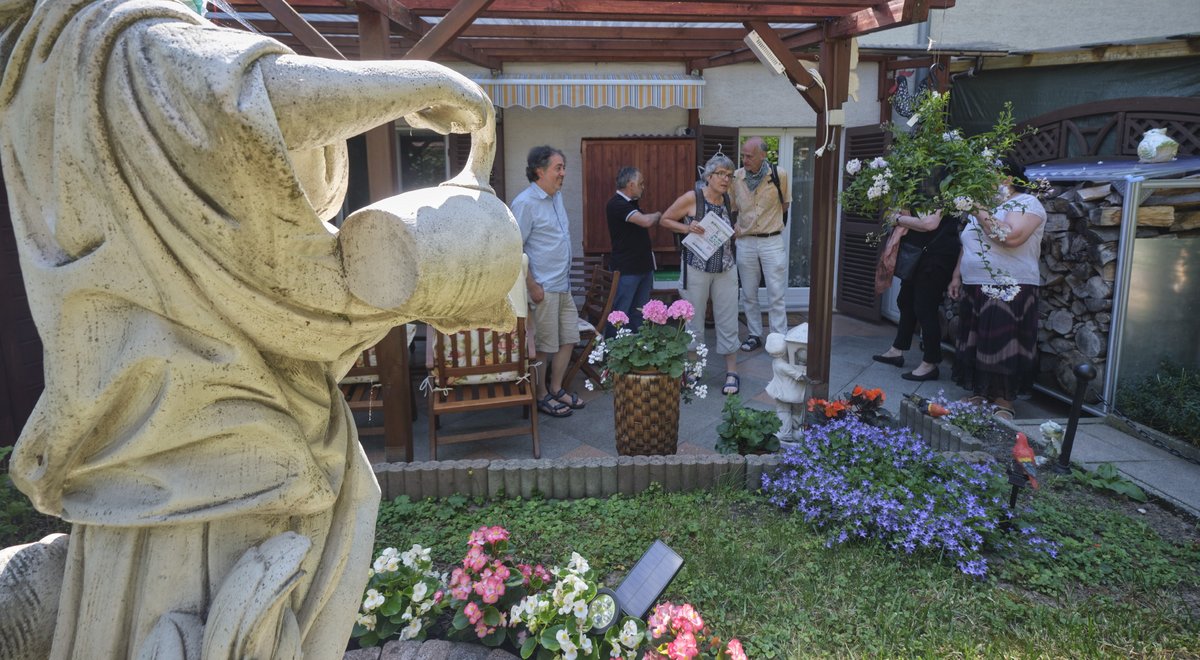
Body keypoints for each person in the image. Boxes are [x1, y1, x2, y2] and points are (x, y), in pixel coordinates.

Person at [0, 0, 504, 656]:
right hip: (220, 463)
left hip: (126, 450)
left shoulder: (37, 67)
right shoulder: (111, 41)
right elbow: (247, 99)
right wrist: (425, 83)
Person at [950, 158, 1047, 420]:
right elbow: (969, 244)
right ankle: (981, 394)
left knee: (1003, 343)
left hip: (1009, 285)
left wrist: (979, 209)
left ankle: (1004, 402)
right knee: (978, 341)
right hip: (975, 284)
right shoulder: (986, 207)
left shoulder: (1026, 203)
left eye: (986, 174)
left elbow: (1010, 237)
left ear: (1008, 178)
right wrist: (956, 275)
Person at [512, 146, 585, 418]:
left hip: (562, 285)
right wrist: (531, 285)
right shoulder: (525, 203)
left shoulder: (556, 197)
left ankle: (556, 388)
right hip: (543, 287)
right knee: (543, 346)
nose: (563, 173)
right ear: (539, 171)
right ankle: (540, 395)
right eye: (558, 168)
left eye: (564, 167)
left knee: (569, 339)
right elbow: (514, 249)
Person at [660, 154, 741, 395]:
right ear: (708, 176)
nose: (726, 179)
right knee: (693, 320)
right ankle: (694, 370)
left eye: (729, 176)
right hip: (696, 267)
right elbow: (665, 220)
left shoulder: (729, 199)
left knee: (728, 319)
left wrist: (736, 229)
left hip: (725, 268)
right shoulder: (692, 197)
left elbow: (732, 225)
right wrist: (687, 227)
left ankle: (732, 372)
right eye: (721, 174)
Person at [871, 171, 963, 381]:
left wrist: (898, 218)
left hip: (937, 257)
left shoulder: (946, 191)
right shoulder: (919, 193)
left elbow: (929, 223)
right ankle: (897, 350)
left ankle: (931, 362)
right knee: (905, 301)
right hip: (919, 255)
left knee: (924, 307)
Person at [731, 137, 790, 353]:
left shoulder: (778, 174)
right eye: (743, 156)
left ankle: (778, 337)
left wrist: (768, 220)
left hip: (772, 241)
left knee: (776, 293)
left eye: (749, 156)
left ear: (763, 155)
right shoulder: (736, 177)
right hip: (745, 242)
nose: (745, 160)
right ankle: (754, 334)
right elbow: (733, 207)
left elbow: (785, 204)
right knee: (748, 293)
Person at [605, 166, 662, 334]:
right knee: (620, 314)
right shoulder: (616, 203)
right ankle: (612, 348)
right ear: (631, 185)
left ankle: (636, 349)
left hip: (643, 267)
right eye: (641, 183)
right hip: (627, 270)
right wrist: (659, 215)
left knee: (639, 314)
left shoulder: (631, 204)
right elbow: (645, 221)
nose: (643, 187)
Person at [764, 325, 810, 441]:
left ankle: (788, 432)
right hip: (793, 392)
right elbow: (798, 375)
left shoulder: (778, 362)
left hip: (785, 393)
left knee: (784, 411)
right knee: (794, 411)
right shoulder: (783, 364)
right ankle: (792, 431)